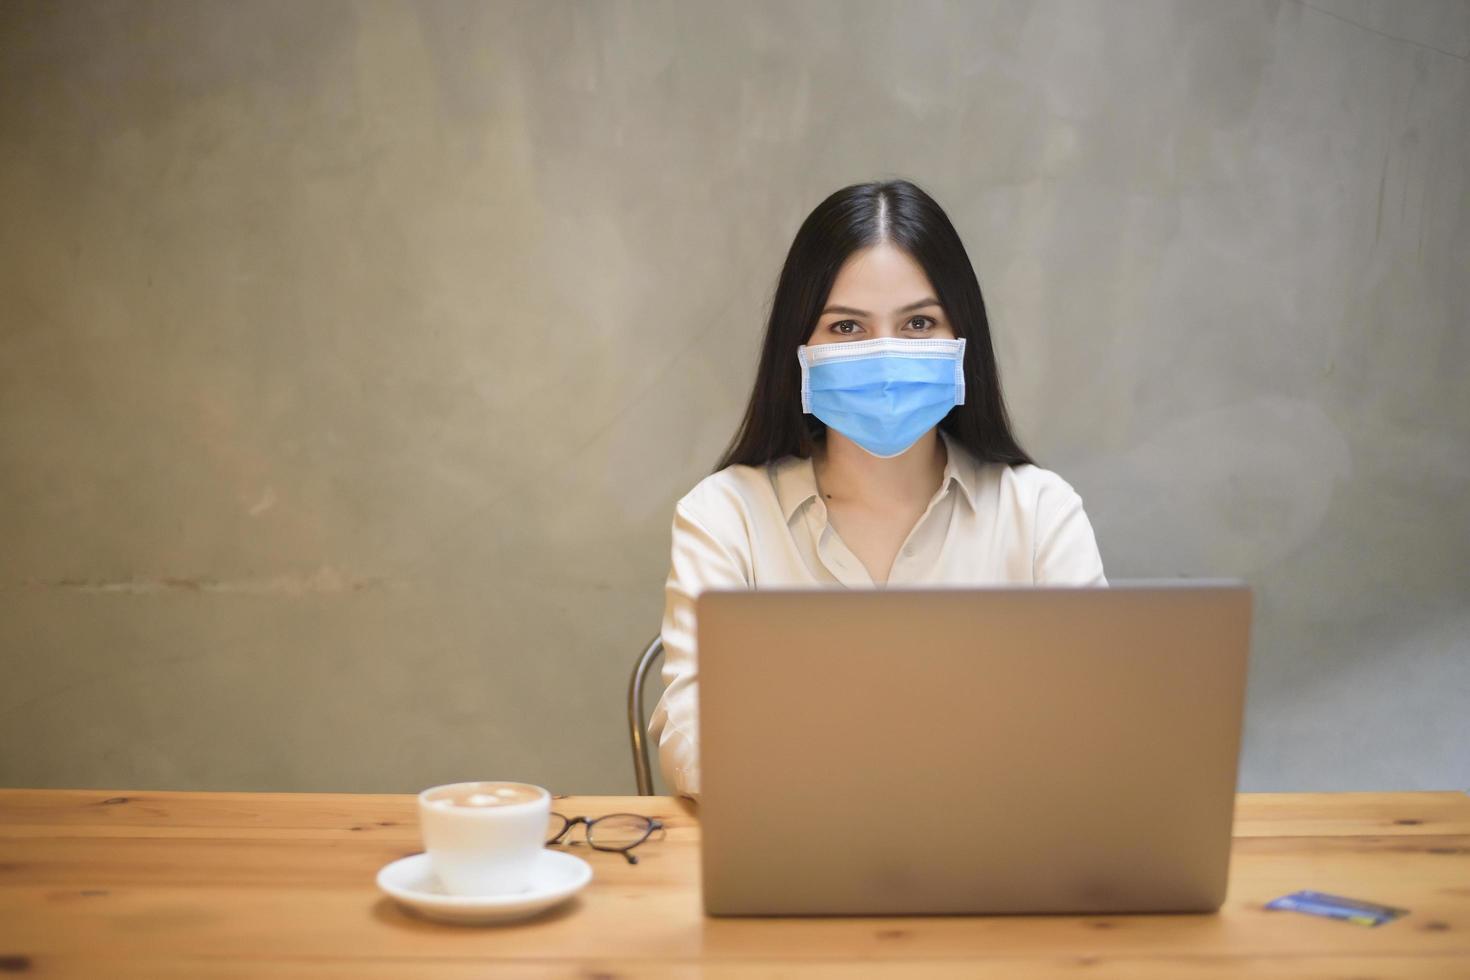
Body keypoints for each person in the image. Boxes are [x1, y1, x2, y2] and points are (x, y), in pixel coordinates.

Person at [647, 179, 1108, 801]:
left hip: (995, 860)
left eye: (919, 322)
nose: (886, 354)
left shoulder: (1041, 513)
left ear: (960, 341)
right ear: (799, 347)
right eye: (846, 327)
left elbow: (1094, 727)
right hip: (792, 854)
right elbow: (689, 730)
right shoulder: (724, 516)